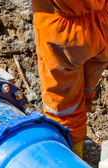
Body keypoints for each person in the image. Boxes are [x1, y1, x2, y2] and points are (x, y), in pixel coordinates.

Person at [32, 0, 108, 158]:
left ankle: (72, 156)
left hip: (62, 30)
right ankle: (84, 117)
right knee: (87, 84)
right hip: (103, 19)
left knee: (64, 108)